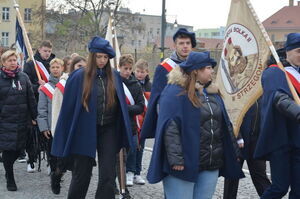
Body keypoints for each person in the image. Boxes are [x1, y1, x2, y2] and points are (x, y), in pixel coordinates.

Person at [147, 51, 244, 199]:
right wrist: (176, 159)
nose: (212, 71)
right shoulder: (174, 91)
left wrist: (234, 151)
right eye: (208, 68)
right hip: (183, 162)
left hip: (210, 162)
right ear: (196, 71)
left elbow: (224, 123)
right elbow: (170, 127)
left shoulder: (212, 93)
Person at [51, 36, 133, 199]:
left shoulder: (114, 76)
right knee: (82, 174)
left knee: (108, 174)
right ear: (92, 56)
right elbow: (68, 111)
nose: (102, 60)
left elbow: (120, 107)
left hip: (108, 128)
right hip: (84, 130)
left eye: (105, 57)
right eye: (98, 56)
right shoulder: (78, 76)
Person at [254, 32, 300, 199]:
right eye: (299, 51)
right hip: (280, 138)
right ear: (287, 51)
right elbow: (279, 99)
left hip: (298, 140)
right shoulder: (274, 72)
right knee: (279, 188)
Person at [141, 28, 196, 140]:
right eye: (181, 43)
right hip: (173, 119)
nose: (185, 46)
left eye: (188, 43)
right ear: (175, 45)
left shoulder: (198, 66)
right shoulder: (164, 68)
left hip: (194, 118)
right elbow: (158, 99)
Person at [0, 50, 37, 191]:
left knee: (18, 149)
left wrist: (35, 117)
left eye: (14, 60)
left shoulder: (23, 77)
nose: (12, 63)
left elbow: (31, 99)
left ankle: (9, 170)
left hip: (23, 121)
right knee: (9, 151)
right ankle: (10, 177)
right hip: (5, 122)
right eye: (9, 60)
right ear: (3, 63)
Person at [223, 99, 271, 199]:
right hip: (238, 140)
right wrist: (237, 136)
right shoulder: (241, 91)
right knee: (232, 176)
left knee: (260, 175)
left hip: (257, 141)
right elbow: (232, 115)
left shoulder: (262, 92)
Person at [23, 40, 55, 172]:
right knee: (33, 134)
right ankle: (31, 159)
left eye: (49, 51)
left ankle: (50, 161)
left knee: (49, 133)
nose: (47, 54)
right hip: (34, 102)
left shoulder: (54, 64)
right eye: (44, 51)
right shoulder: (31, 64)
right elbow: (26, 82)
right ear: (39, 50)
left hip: (51, 103)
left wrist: (48, 85)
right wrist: (38, 87)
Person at [37, 58, 64, 194]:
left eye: (57, 67)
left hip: (63, 126)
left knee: (63, 154)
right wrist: (44, 127)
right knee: (52, 153)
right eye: (52, 67)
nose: (55, 69)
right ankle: (54, 173)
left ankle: (60, 171)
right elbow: (42, 110)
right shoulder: (45, 89)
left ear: (62, 68)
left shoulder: (66, 86)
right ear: (49, 69)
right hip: (51, 127)